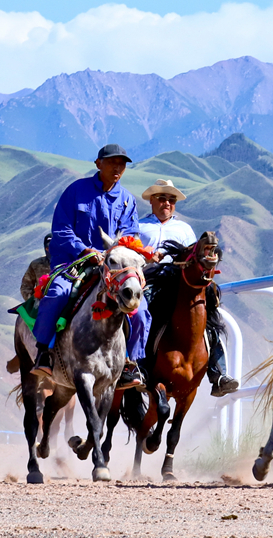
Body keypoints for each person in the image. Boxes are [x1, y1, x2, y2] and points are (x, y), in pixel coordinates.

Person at [30, 144, 148, 389]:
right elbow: (61, 229)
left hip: (113, 268)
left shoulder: (127, 200)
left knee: (140, 309)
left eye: (122, 164)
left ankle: (131, 363)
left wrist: (114, 254)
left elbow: (131, 236)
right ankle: (44, 352)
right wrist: (85, 251)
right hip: (74, 263)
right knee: (57, 294)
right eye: (112, 162)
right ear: (98, 164)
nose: (117, 168)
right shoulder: (76, 191)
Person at [137, 178, 238, 397]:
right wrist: (146, 256)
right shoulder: (139, 227)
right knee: (142, 313)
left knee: (209, 316)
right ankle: (140, 366)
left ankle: (218, 373)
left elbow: (194, 258)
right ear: (152, 200)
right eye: (162, 198)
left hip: (179, 281)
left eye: (171, 200)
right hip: (149, 280)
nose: (167, 203)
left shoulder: (184, 229)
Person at [20, 233, 53, 302]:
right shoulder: (36, 265)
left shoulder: (69, 262)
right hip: (43, 304)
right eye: (48, 248)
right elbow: (25, 287)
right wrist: (35, 301)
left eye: (54, 247)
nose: (51, 250)